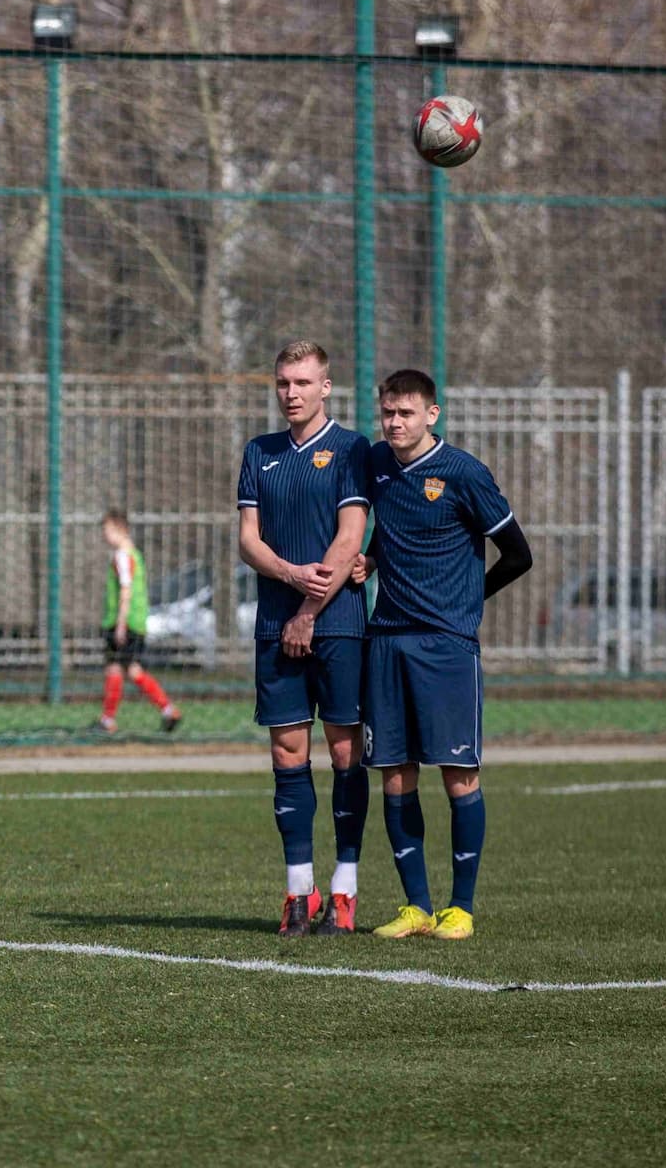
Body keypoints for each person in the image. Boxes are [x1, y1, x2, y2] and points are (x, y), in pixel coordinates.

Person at [356, 369, 531, 941]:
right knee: (395, 776)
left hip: (446, 647)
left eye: (406, 413)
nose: (395, 422)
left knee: (458, 776)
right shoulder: (377, 464)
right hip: (385, 640)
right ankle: (416, 907)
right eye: (388, 412)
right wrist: (371, 562)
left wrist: (467, 600)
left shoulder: (463, 473)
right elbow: (388, 532)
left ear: (433, 414)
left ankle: (461, 908)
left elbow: (517, 554)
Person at [236, 341, 372, 938]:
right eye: (283, 383)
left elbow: (349, 540)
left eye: (302, 382)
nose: (291, 393)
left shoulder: (352, 450)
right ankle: (299, 891)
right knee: (287, 755)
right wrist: (290, 578)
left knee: (345, 752)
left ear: (326, 387)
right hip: (274, 622)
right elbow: (249, 540)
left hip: (337, 623)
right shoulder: (258, 453)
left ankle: (344, 887)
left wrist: (309, 611)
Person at [93, 508, 183, 734]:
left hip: (123, 623)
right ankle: (166, 710)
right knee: (126, 669)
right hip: (137, 622)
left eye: (108, 530)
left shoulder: (122, 556)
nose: (105, 536)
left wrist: (121, 623)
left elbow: (126, 590)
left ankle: (110, 720)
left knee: (120, 669)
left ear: (121, 530)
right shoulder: (135, 555)